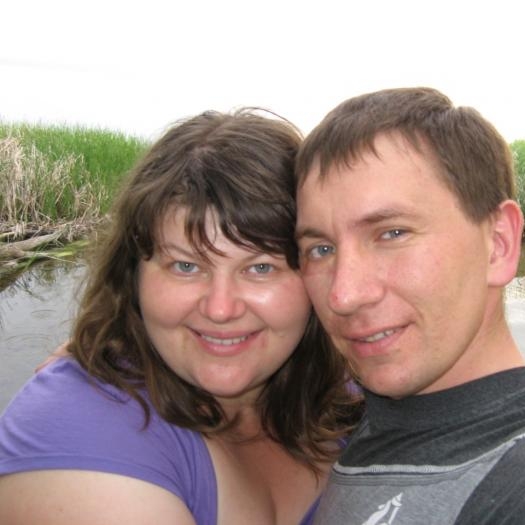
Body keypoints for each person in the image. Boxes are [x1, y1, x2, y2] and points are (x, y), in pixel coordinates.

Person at [0, 109, 361, 525]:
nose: (220, 309)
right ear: (133, 276)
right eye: (185, 266)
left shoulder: (346, 390)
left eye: (261, 267)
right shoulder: (74, 429)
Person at [295, 87, 525, 524]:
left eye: (392, 233)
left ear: (498, 244)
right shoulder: (345, 432)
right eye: (321, 249)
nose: (344, 295)